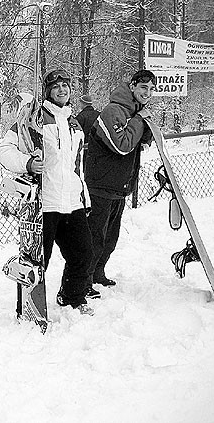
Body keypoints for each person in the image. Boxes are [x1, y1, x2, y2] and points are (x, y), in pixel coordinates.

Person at [0, 68, 95, 315]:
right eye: (56, 86)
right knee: (39, 261)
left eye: (66, 85)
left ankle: (72, 297)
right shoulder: (34, 120)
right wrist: (27, 163)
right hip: (45, 203)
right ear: (48, 92)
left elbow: (75, 165)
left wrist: (84, 196)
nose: (62, 89)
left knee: (83, 254)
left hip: (71, 202)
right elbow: (5, 151)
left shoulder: (74, 123)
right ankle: (29, 306)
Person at [85, 69, 156, 289]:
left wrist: (143, 124)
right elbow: (122, 145)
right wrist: (138, 120)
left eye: (152, 89)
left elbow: (143, 141)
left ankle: (98, 273)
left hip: (119, 186)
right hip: (100, 185)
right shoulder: (112, 110)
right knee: (94, 238)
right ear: (132, 86)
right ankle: (82, 281)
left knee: (110, 238)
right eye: (144, 87)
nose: (148, 93)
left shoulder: (136, 112)